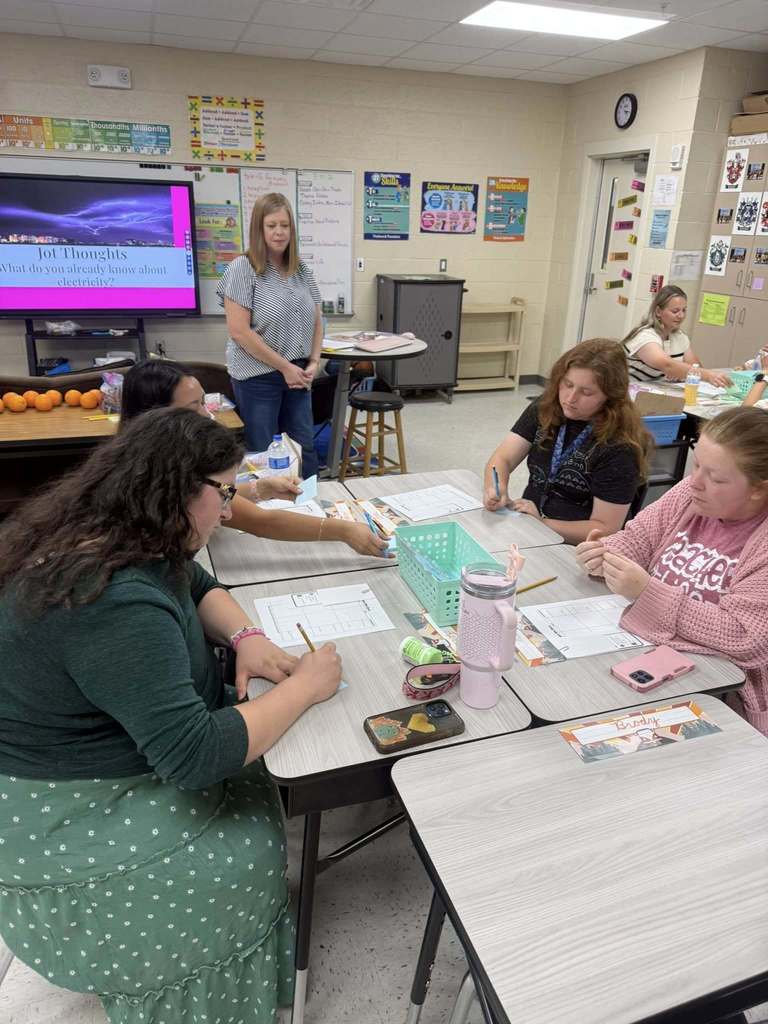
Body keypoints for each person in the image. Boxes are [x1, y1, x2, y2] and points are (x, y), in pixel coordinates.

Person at [0, 408, 343, 1022]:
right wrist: (305, 689)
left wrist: (245, 639)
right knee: (244, 838)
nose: (231, 510)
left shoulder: (124, 525)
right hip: (67, 805)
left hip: (79, 760)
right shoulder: (111, 599)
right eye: (225, 492)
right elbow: (195, 756)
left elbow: (194, 582)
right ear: (178, 490)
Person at [575, 406, 768, 736]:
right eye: (696, 465)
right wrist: (607, 555)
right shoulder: (689, 495)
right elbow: (638, 538)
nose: (696, 482)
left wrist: (646, 592)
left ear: (759, 489)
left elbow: (745, 637)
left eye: (717, 478)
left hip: (722, 690)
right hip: (648, 651)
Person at [120, 359, 389, 558]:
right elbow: (260, 521)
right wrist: (345, 531)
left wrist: (261, 488)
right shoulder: (165, 472)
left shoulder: (146, 451)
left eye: (204, 402)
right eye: (194, 407)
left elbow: (221, 495)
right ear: (156, 415)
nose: (208, 415)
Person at [483, 338, 652, 543]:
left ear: (610, 396)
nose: (570, 398)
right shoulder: (545, 408)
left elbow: (606, 529)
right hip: (530, 528)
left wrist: (542, 524)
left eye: (586, 392)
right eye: (567, 384)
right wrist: (495, 488)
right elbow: (503, 458)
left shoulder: (619, 446)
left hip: (577, 548)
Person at [218, 192, 322, 477]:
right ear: (259, 229)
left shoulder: (299, 268)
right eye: (272, 225)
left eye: (285, 225)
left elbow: (316, 318)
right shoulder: (243, 268)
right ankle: (270, 516)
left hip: (298, 374)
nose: (279, 232)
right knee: (264, 453)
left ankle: (310, 508)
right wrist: (285, 367)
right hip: (257, 376)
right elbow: (239, 331)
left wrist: (313, 361)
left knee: (304, 446)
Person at [622, 285, 731, 387]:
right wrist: (708, 375)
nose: (681, 316)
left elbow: (695, 367)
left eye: (684, 310)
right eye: (675, 311)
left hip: (659, 391)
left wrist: (681, 374)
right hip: (630, 392)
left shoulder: (680, 337)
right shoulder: (645, 336)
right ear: (658, 312)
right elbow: (668, 365)